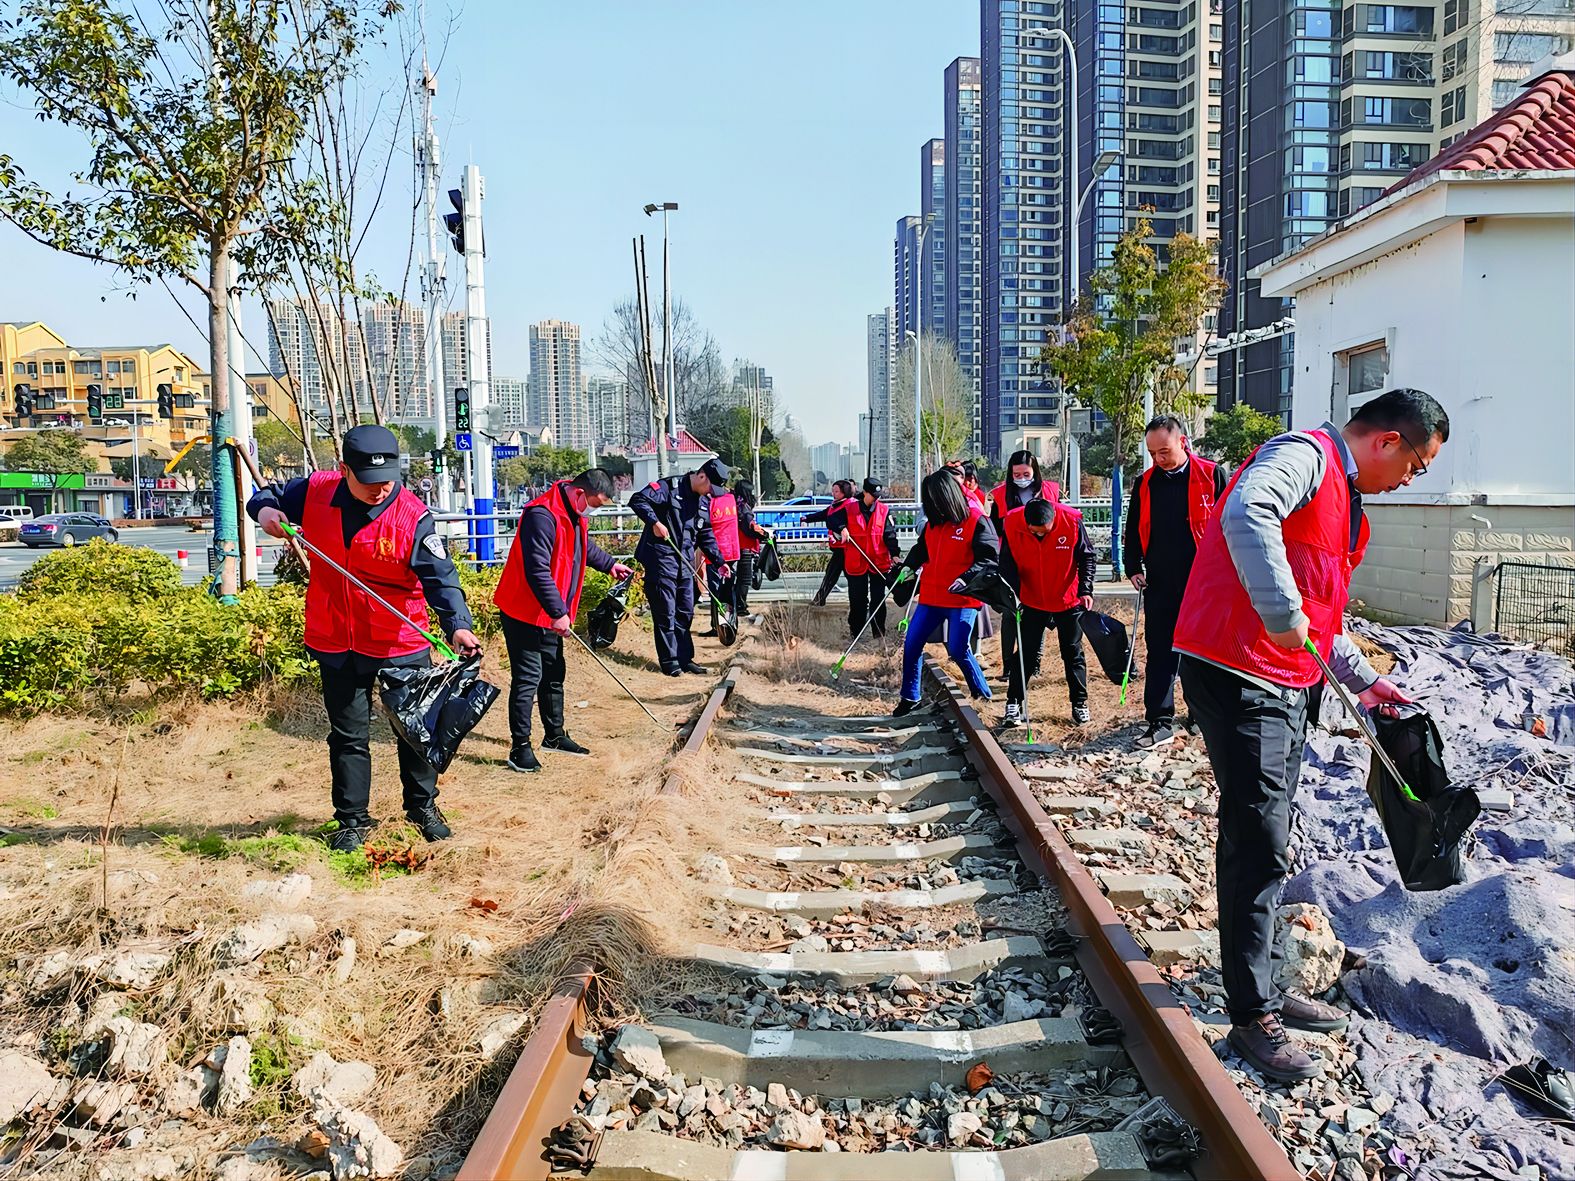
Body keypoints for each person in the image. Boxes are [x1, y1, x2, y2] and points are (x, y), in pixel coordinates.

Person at [1173, 388, 1449, 1083]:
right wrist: (1278, 609)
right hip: (1239, 668)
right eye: (1415, 465)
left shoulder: (1347, 505)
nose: (1409, 480)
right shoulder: (1305, 456)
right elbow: (1247, 509)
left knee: (1266, 831)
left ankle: (1262, 983)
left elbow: (1321, 615)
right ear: (1387, 441)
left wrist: (1363, 680)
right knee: (1258, 838)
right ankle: (1250, 1014)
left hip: (1285, 677)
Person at [249, 425, 482, 852]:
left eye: (388, 480)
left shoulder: (412, 516)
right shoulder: (317, 491)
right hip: (336, 637)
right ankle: (352, 821)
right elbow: (265, 497)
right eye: (369, 481)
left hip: (399, 641)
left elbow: (441, 579)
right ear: (344, 471)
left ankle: (422, 807)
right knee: (348, 735)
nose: (380, 490)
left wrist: (458, 625)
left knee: (414, 731)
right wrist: (266, 512)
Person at [493, 468, 634, 773]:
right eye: (594, 505)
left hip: (551, 611)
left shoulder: (573, 511)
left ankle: (554, 735)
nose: (593, 511)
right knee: (528, 677)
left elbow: (581, 547)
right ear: (580, 493)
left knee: (554, 671)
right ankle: (520, 747)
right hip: (523, 611)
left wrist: (609, 565)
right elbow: (537, 570)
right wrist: (558, 612)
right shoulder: (541, 515)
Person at [1123, 415, 1228, 748]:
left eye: (1164, 451)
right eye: (1153, 453)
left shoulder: (1212, 475)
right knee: (1160, 652)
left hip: (1204, 582)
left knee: (1202, 653)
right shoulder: (1145, 483)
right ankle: (1159, 720)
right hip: (1160, 581)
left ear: (1182, 442)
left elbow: (1230, 523)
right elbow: (1132, 528)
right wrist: (1132, 566)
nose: (1159, 459)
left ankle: (1200, 715)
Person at [890, 470, 998, 715]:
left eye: (937, 499)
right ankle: (910, 697)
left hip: (962, 599)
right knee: (912, 643)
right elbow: (921, 550)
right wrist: (908, 567)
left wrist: (966, 578)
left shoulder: (977, 521)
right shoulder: (933, 525)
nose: (934, 505)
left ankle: (981, 694)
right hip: (931, 597)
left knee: (958, 648)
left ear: (949, 496)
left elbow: (989, 559)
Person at [998, 497, 1097, 726]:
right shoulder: (1012, 524)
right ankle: (1014, 703)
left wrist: (1086, 589)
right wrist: (1012, 596)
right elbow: (1007, 564)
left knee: (1072, 653)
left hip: (1067, 600)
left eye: (1045, 531)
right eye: (1035, 532)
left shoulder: (1071, 522)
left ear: (1054, 520)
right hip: (1031, 600)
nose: (1040, 535)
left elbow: (1087, 557)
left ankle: (1080, 703)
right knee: (1025, 654)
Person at [630, 458, 730, 676]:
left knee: (685, 611)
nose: (710, 493)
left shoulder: (703, 502)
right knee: (666, 612)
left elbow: (705, 534)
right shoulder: (669, 488)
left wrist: (720, 561)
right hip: (661, 559)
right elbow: (638, 500)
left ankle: (685, 659)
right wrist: (655, 522)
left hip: (684, 563)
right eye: (710, 487)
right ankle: (670, 661)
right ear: (702, 476)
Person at [990, 450, 1063, 680]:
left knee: (1039, 613)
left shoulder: (1050, 491)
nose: (1021, 478)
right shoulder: (1001, 495)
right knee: (1010, 614)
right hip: (1011, 559)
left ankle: (1034, 665)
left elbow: (1061, 522)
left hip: (1042, 559)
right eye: (1016, 474)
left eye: (1026, 474)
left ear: (1035, 472)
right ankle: (1008, 666)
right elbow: (994, 529)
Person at [831, 477, 901, 639]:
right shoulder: (850, 508)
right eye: (873, 496)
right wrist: (842, 528)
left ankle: (878, 634)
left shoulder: (884, 511)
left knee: (878, 599)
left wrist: (895, 555)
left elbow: (890, 535)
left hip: (878, 562)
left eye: (878, 497)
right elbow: (832, 519)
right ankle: (856, 633)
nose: (876, 499)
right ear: (864, 493)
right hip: (856, 562)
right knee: (858, 600)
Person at [806, 479, 854, 606]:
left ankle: (820, 598)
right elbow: (823, 515)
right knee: (834, 573)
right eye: (833, 491)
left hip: (847, 547)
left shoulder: (850, 505)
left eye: (836, 491)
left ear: (844, 492)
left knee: (836, 573)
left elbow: (832, 519)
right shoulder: (835, 505)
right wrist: (807, 518)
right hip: (839, 547)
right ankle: (820, 598)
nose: (833, 494)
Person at [731, 479, 771, 622]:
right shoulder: (744, 508)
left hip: (735, 545)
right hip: (745, 546)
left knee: (738, 578)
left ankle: (736, 605)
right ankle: (741, 608)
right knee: (745, 579)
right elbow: (749, 528)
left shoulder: (734, 504)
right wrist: (763, 535)